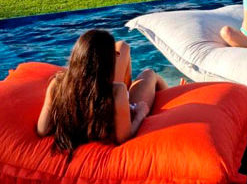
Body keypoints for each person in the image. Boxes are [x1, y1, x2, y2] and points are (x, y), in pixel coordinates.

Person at [37, 29, 168, 153]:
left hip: (98, 92)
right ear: (106, 63)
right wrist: (140, 114)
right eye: (114, 55)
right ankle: (173, 92)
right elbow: (123, 138)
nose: (116, 56)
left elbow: (42, 129)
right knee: (150, 74)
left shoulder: (57, 84)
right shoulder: (117, 91)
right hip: (118, 110)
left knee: (123, 47)